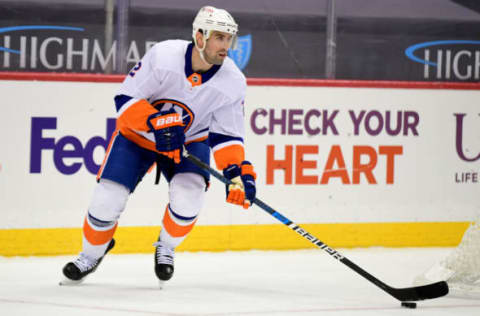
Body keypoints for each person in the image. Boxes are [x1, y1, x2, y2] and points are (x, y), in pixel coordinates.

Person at [60, 5, 257, 286]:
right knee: (107, 199)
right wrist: (157, 121)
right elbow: (125, 101)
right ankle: (91, 255)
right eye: (219, 37)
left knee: (189, 198)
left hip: (190, 141)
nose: (226, 45)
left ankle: (165, 247)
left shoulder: (233, 82)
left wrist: (236, 171)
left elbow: (227, 136)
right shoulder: (165, 56)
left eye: (229, 38)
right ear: (199, 37)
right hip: (138, 137)